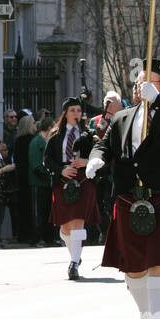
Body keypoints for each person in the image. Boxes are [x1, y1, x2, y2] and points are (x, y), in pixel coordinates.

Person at [86, 60, 160, 319]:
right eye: (139, 83)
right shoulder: (122, 116)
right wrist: (97, 158)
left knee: (159, 261)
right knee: (133, 266)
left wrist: (159, 101)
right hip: (128, 197)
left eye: (149, 83)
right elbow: (105, 143)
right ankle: (144, 315)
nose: (140, 87)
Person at [45, 98, 99, 280]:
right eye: (72, 110)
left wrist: (86, 162)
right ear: (65, 114)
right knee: (66, 227)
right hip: (63, 180)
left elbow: (99, 154)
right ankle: (75, 255)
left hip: (83, 179)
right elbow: (47, 160)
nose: (76, 114)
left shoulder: (90, 134)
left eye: (78, 110)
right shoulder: (55, 136)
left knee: (78, 221)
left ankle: (74, 263)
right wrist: (61, 169)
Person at [29, 117, 57, 247]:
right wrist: (49, 173)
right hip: (39, 183)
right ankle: (38, 237)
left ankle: (49, 237)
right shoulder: (36, 142)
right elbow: (36, 165)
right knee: (39, 211)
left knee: (48, 211)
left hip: (48, 182)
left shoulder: (48, 141)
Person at [11, 113, 38, 245]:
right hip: (29, 177)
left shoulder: (18, 140)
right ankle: (32, 233)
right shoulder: (31, 140)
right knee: (31, 207)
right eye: (33, 123)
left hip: (20, 177)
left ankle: (23, 234)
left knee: (23, 207)